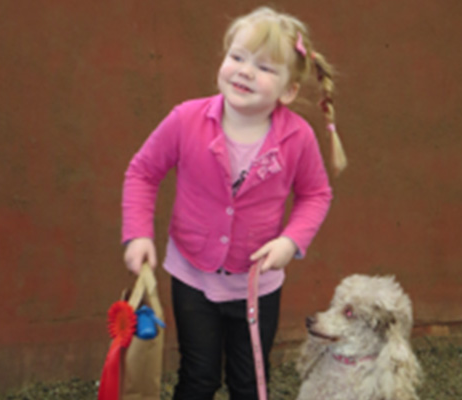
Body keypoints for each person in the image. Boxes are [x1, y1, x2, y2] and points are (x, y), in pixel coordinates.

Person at [121, 6, 347, 399]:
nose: (244, 70)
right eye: (237, 57)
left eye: (264, 67)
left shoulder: (298, 138)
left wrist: (290, 241)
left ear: (288, 91)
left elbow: (316, 194)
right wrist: (138, 234)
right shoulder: (185, 119)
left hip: (258, 284)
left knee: (249, 382)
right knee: (198, 377)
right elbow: (142, 172)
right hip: (192, 277)